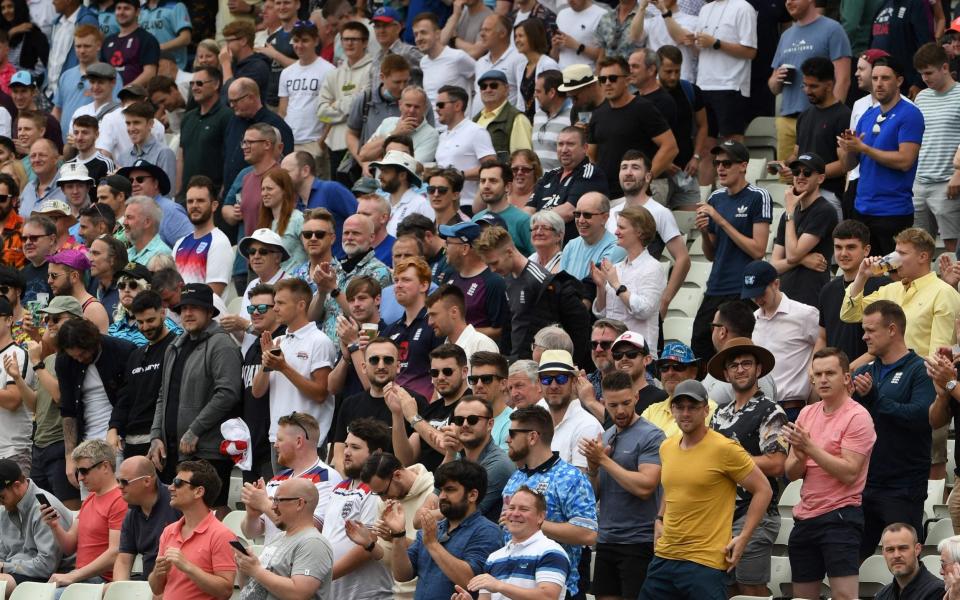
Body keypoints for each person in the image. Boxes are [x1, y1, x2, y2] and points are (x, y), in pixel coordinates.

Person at [637, 379, 772, 600]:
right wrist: (659, 518)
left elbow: (763, 490)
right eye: (679, 407)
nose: (686, 413)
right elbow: (672, 487)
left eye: (693, 407)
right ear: (672, 409)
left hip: (704, 562)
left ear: (706, 410)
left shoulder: (725, 448)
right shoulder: (667, 447)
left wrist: (744, 537)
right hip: (666, 555)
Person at [784, 347, 876, 600]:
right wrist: (800, 457)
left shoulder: (858, 417)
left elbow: (849, 473)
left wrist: (809, 448)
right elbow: (791, 473)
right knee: (802, 597)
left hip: (841, 516)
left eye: (830, 373)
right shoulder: (806, 413)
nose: (823, 379)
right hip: (806, 516)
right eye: (818, 374)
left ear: (846, 378)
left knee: (845, 596)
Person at [851, 300, 935, 559]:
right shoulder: (865, 371)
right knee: (851, 562)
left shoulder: (919, 370)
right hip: (864, 484)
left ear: (892, 330)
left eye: (870, 330)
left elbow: (921, 416)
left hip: (903, 486)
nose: (864, 336)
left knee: (904, 563)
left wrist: (875, 398)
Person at [147, 283, 242, 511]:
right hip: (172, 451)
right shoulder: (175, 346)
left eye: (195, 308)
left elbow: (228, 393)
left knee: (208, 517)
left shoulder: (222, 344)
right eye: (183, 308)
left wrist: (195, 430)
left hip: (208, 452)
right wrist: (156, 436)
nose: (188, 313)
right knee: (177, 519)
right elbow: (163, 395)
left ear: (210, 312)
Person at [706, 338, 788, 597]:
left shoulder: (771, 411)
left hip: (756, 514)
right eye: (734, 365)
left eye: (746, 364)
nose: (740, 369)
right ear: (726, 373)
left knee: (750, 588)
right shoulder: (718, 413)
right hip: (720, 516)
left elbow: (777, 463)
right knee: (724, 589)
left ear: (758, 370)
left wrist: (729, 461)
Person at [355, 459, 503, 599]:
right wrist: (399, 535)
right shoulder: (432, 528)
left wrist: (432, 544)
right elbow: (402, 575)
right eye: (442, 490)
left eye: (450, 490)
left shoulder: (488, 531)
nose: (442, 496)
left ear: (472, 495)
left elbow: (471, 581)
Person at [577, 370, 664, 599]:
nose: (621, 411)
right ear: (604, 403)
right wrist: (594, 469)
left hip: (639, 542)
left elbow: (646, 487)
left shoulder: (652, 435)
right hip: (606, 540)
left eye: (626, 403)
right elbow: (593, 495)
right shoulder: (604, 437)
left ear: (636, 397)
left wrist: (603, 460)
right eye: (613, 405)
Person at [501, 405, 597, 598]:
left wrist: (533, 524)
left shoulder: (571, 477)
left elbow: (588, 534)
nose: (507, 439)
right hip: (514, 586)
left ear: (532, 437)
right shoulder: (515, 479)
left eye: (512, 433)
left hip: (558, 589)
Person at [690, 140, 772, 362]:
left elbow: (758, 250)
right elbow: (711, 254)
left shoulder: (758, 196)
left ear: (743, 166)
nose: (720, 168)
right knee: (700, 341)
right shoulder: (716, 197)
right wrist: (706, 233)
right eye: (717, 163)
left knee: (738, 348)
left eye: (727, 163)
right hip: (717, 284)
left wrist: (720, 220)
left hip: (744, 287)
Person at [838, 56, 923, 257]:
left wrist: (865, 148)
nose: (878, 83)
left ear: (899, 81)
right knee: (867, 275)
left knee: (896, 275)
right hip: (862, 207)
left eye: (885, 78)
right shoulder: (867, 114)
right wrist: (849, 148)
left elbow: (905, 160)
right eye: (875, 78)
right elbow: (849, 165)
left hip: (893, 211)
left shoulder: (910, 114)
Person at [475, 225, 591, 369]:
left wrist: (572, 362)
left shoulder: (541, 280)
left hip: (541, 366)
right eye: (488, 265)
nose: (492, 270)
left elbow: (578, 323)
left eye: (494, 263)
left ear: (509, 252)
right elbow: (513, 326)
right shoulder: (508, 280)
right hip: (517, 364)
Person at [841, 227, 960, 361]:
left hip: (920, 378)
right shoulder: (890, 289)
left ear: (923, 257)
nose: (895, 259)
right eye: (895, 253)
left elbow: (938, 356)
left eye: (902, 254)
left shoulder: (943, 293)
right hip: (887, 376)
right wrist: (862, 276)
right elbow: (849, 315)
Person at [252, 277, 336, 452]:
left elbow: (321, 394)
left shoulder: (319, 341)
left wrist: (283, 367)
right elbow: (257, 392)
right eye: (275, 303)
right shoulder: (278, 341)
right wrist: (267, 363)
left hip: (307, 440)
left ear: (301, 305)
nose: (275, 308)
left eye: (281, 303)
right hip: (278, 437)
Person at [768, 0, 851, 167]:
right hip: (787, 118)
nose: (788, 2)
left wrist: (834, 117)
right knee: (788, 181)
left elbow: (843, 79)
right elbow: (773, 87)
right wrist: (776, 79)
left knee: (818, 174)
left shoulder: (832, 29)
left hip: (821, 120)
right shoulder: (786, 35)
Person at [608, 150, 692, 315]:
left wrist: (665, 299)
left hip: (644, 297)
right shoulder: (613, 213)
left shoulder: (660, 212)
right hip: (614, 299)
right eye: (624, 167)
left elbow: (683, 259)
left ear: (648, 177)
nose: (628, 172)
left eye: (635, 167)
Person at [452, 485, 569, 600]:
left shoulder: (551, 551)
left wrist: (500, 586)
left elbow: (548, 597)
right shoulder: (494, 557)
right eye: (512, 508)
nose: (515, 513)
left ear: (541, 516)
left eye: (524, 509)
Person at [41, 439, 127, 592]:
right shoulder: (90, 499)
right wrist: (54, 526)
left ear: (105, 466)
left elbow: (115, 553)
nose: (80, 477)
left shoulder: (120, 500)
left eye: (84, 471)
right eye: (78, 471)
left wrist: (74, 576)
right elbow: (69, 547)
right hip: (83, 578)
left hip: (103, 581)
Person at [321, 418, 393, 597]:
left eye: (355, 447)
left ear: (377, 453)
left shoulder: (377, 492)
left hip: (366, 594)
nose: (346, 452)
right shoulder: (338, 488)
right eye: (346, 446)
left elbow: (368, 546)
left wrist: (322, 578)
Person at [742, 260, 820, 421]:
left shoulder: (805, 314)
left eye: (761, 293)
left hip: (792, 408)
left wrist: (815, 389)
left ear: (776, 284)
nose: (757, 299)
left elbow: (825, 344)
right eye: (752, 295)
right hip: (758, 408)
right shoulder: (752, 320)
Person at [589, 57, 677, 198]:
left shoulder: (643, 108)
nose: (607, 83)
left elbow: (670, 147)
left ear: (627, 80)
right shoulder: (598, 113)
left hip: (635, 195)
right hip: (604, 195)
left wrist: (646, 179)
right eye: (602, 79)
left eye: (613, 78)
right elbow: (591, 154)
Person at [148, 459, 237, 599]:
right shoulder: (169, 531)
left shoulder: (222, 534)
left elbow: (225, 591)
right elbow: (156, 589)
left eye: (178, 483)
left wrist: (187, 567)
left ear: (198, 492)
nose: (170, 487)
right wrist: (157, 573)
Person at [233, 478, 334, 600]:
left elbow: (299, 593)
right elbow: (253, 590)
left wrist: (255, 570)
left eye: (278, 500)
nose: (273, 507)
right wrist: (245, 569)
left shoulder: (313, 543)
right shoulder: (279, 538)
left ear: (299, 504)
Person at [110, 290, 178, 458]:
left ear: (163, 313)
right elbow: (124, 397)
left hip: (160, 440)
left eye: (150, 320)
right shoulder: (136, 354)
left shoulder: (176, 347)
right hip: (132, 441)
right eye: (140, 322)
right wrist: (113, 427)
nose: (145, 327)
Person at [770, 153, 840, 307]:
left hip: (810, 297)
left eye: (807, 173)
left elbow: (793, 254)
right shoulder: (788, 215)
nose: (800, 176)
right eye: (796, 172)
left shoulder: (824, 210)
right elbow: (774, 266)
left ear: (820, 179)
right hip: (785, 297)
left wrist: (789, 211)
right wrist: (803, 260)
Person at [817, 220, 888, 368]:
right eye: (838, 247)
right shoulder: (827, 290)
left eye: (851, 247)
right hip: (836, 377)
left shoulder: (884, 287)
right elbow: (822, 336)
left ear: (866, 250)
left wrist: (849, 369)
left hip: (870, 375)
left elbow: (886, 341)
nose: (843, 254)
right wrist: (815, 365)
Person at [591, 203, 664, 347]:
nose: (616, 232)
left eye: (622, 228)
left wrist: (617, 285)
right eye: (617, 226)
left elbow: (644, 310)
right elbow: (602, 314)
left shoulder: (653, 267)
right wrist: (600, 286)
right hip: (613, 351)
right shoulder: (616, 268)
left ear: (639, 232)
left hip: (639, 353)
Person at [0, 459, 75, 595]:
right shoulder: (7, 508)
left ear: (17, 486)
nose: (0, 502)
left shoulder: (44, 507)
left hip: (54, 575)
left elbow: (47, 566)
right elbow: (3, 554)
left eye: (1, 497)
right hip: (21, 571)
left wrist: (5, 566)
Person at [913, 43, 960, 252]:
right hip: (919, 180)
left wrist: (958, 173)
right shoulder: (922, 97)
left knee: (952, 245)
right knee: (918, 246)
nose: (925, 78)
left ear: (944, 67)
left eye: (929, 72)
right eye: (921, 74)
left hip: (948, 182)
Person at [439, 394, 516, 522]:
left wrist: (429, 514)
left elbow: (465, 513)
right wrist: (450, 453)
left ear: (490, 424)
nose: (464, 424)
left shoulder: (499, 464)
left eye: (472, 420)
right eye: (459, 420)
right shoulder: (458, 458)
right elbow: (434, 496)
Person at [526, 126, 609, 243]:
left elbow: (569, 211)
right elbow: (528, 209)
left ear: (585, 148)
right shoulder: (549, 175)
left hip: (571, 247)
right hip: (542, 244)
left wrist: (536, 222)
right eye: (560, 144)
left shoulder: (590, 172)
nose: (564, 149)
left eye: (570, 144)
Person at [792, 57, 852, 217]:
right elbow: (797, 153)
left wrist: (810, 173)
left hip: (828, 195)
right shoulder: (804, 116)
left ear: (829, 85)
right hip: (801, 195)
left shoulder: (844, 116)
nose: (807, 91)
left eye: (813, 86)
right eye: (805, 85)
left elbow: (845, 164)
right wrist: (786, 166)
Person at [691, 0, 757, 143]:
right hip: (703, 85)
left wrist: (716, 43)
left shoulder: (743, 7)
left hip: (730, 85)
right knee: (704, 145)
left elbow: (750, 51)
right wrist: (692, 42)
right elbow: (698, 51)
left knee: (732, 145)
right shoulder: (705, 9)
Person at [316, 21, 373, 181]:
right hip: (334, 146)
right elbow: (321, 114)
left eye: (354, 39)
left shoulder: (373, 69)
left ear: (365, 43)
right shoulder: (334, 74)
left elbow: (362, 105)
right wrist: (348, 108)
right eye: (345, 39)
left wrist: (336, 104)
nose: (349, 43)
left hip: (359, 146)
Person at [221, 78, 295, 200]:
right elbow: (227, 154)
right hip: (231, 196)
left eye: (235, 101)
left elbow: (284, 165)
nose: (232, 105)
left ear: (251, 97)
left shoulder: (276, 125)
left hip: (262, 197)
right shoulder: (234, 121)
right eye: (230, 101)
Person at [113, 455, 181, 580]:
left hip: (178, 584)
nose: (119, 486)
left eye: (124, 482)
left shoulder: (177, 502)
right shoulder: (132, 514)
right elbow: (123, 561)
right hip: (148, 585)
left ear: (147, 481)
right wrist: (119, 589)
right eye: (118, 481)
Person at [434, 85, 497, 211]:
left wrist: (460, 175)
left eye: (441, 105)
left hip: (468, 204)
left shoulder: (476, 131)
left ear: (457, 106)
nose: (436, 109)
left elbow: (492, 167)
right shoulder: (442, 136)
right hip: (444, 204)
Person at [280, 151, 357, 255]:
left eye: (286, 172)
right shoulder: (297, 204)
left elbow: (359, 219)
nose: (282, 178)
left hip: (342, 262)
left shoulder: (331, 189)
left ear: (305, 171)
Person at [278, 20, 334, 158]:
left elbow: (333, 110)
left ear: (316, 41)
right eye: (296, 41)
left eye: (305, 41)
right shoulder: (287, 72)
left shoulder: (329, 70)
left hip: (313, 142)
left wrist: (321, 142)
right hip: (290, 142)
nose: (299, 45)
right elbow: (282, 110)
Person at [172, 176, 233, 298]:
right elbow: (170, 285)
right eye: (190, 201)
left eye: (200, 200)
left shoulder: (219, 242)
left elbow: (212, 295)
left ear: (214, 205)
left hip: (205, 315)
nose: (194, 205)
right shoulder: (180, 243)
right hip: (176, 315)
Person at [178, 66, 231, 197]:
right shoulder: (187, 118)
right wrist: (178, 191)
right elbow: (181, 156)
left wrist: (224, 190)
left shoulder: (227, 116)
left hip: (213, 193)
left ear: (216, 84)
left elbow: (230, 156)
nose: (195, 87)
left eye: (200, 83)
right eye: (192, 84)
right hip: (187, 194)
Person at [115, 160, 193, 248]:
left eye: (140, 179)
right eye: (130, 180)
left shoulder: (170, 210)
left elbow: (190, 245)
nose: (134, 184)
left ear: (155, 183)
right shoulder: (131, 209)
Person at [361, 87, 438, 164]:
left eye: (417, 107)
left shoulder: (431, 134)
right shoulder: (387, 122)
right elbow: (363, 155)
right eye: (408, 105)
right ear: (400, 105)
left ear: (425, 108)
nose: (412, 110)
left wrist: (379, 158)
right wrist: (394, 134)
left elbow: (412, 167)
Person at [470, 161, 533, 256]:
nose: (486, 186)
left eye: (493, 181)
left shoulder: (523, 220)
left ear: (507, 187)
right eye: (483, 181)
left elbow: (537, 258)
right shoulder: (476, 219)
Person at [473, 70, 532, 165]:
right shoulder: (475, 120)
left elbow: (522, 159)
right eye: (483, 87)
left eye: (494, 85)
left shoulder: (517, 118)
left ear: (506, 89)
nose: (488, 90)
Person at [369, 151, 433, 237]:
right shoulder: (381, 204)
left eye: (385, 172)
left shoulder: (421, 204)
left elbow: (429, 238)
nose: (380, 176)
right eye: (381, 171)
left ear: (402, 175)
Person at [426, 284, 498, 361]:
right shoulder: (442, 349)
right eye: (429, 316)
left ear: (454, 312)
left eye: (434, 315)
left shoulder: (482, 345)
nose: (430, 322)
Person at [874, 523, 943, 600]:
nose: (896, 555)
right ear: (883, 553)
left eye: (903, 548)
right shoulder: (882, 595)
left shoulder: (938, 592)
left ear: (917, 549)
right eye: (890, 550)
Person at [100, 0, 160, 87]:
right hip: (109, 96)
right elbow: (101, 71)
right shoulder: (108, 41)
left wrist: (125, 91)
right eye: (118, 8)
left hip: (135, 97)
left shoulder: (147, 39)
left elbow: (149, 73)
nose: (121, 12)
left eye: (126, 8)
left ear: (137, 12)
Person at [472, 15, 525, 109]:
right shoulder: (480, 62)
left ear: (502, 33)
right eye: (482, 30)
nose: (482, 34)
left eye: (487, 30)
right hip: (479, 122)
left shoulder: (519, 58)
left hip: (506, 122)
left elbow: (522, 97)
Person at [219, 21, 270, 102]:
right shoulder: (232, 63)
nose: (226, 46)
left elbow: (234, 99)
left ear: (243, 41)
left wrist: (225, 65)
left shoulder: (258, 66)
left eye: (229, 41)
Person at [122, 196, 172, 267]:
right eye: (125, 217)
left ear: (147, 222)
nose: (124, 222)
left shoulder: (162, 255)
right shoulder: (128, 253)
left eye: (129, 217)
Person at [67, 115, 115, 184]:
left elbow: (109, 193)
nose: (79, 138)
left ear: (96, 135)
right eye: (76, 133)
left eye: (85, 133)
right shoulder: (68, 165)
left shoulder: (105, 164)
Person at [528, 210, 564, 274]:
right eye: (535, 228)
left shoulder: (564, 263)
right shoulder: (531, 259)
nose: (538, 232)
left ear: (559, 235)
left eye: (545, 228)